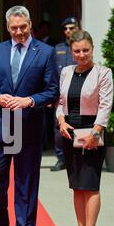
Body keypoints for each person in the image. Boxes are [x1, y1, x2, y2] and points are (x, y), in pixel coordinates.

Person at [0, 6, 58, 226]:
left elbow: (52, 90)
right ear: (7, 27)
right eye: (14, 28)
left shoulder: (45, 52)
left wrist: (30, 101)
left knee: (26, 183)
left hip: (30, 127)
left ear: (30, 24)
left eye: (23, 27)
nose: (19, 32)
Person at [56, 30, 114, 226]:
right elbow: (60, 101)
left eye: (86, 50)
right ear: (71, 51)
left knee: (90, 185)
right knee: (77, 186)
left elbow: (105, 104)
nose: (82, 55)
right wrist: (61, 121)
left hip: (92, 134)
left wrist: (97, 132)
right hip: (69, 132)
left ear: (92, 48)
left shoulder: (103, 73)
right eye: (77, 51)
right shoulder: (66, 72)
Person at [50, 17, 80, 171]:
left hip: (78, 94)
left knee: (78, 124)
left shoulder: (81, 47)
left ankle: (77, 157)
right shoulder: (57, 48)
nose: (68, 31)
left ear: (77, 28)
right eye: (65, 28)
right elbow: (53, 73)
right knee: (58, 127)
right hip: (61, 95)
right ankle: (61, 158)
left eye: (71, 27)